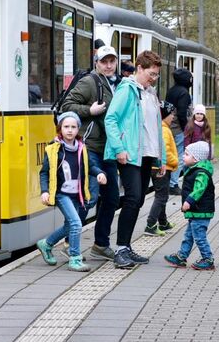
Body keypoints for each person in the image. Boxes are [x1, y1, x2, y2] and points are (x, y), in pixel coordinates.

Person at [104, 50, 167, 269]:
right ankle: (121, 249)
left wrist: (161, 158)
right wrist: (119, 148)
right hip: (130, 153)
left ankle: (126, 246)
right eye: (151, 73)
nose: (154, 78)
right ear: (139, 68)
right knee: (132, 198)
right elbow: (110, 118)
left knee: (138, 200)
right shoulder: (128, 90)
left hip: (147, 154)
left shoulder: (149, 93)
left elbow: (157, 128)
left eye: (157, 75)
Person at [60, 45, 120, 255]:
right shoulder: (90, 82)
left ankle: (100, 244)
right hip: (90, 148)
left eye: (112, 61)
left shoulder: (116, 83)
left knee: (112, 197)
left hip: (108, 149)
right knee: (90, 197)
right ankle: (69, 242)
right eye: (104, 61)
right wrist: (89, 110)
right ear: (97, 63)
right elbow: (66, 106)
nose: (109, 65)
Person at [37, 112, 107, 272]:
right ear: (60, 129)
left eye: (73, 127)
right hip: (62, 194)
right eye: (66, 127)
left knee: (69, 226)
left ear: (78, 129)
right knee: (76, 223)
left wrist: (100, 173)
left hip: (78, 194)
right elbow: (44, 172)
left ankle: (46, 244)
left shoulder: (82, 148)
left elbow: (90, 166)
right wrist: (45, 191)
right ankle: (74, 258)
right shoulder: (53, 150)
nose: (69, 130)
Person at [163, 141, 215, 271]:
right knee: (189, 236)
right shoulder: (194, 170)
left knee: (199, 237)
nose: (183, 156)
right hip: (195, 211)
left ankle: (208, 259)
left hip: (200, 211)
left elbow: (199, 189)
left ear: (195, 158)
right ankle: (182, 256)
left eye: (186, 154)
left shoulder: (201, 173)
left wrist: (189, 201)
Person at [145, 101, 180, 236]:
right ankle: (151, 224)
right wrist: (176, 161)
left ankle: (163, 222)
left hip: (159, 167)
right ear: (164, 115)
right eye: (171, 114)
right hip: (161, 168)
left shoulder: (161, 127)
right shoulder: (163, 130)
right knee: (161, 196)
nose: (173, 117)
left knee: (163, 195)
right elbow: (164, 150)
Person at [166, 68, 193, 194]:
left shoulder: (171, 91)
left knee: (169, 155)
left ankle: (168, 182)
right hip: (178, 129)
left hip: (169, 127)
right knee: (179, 156)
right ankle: (173, 184)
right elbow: (182, 113)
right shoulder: (184, 93)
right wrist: (186, 128)